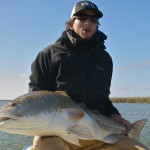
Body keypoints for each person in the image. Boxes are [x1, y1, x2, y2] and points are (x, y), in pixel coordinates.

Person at [27, 1, 147, 150]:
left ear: (97, 25)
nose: (87, 23)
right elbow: (36, 97)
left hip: (98, 133)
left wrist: (114, 115)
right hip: (55, 134)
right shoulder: (49, 54)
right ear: (71, 23)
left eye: (93, 20)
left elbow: (103, 98)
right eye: (82, 18)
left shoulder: (105, 59)